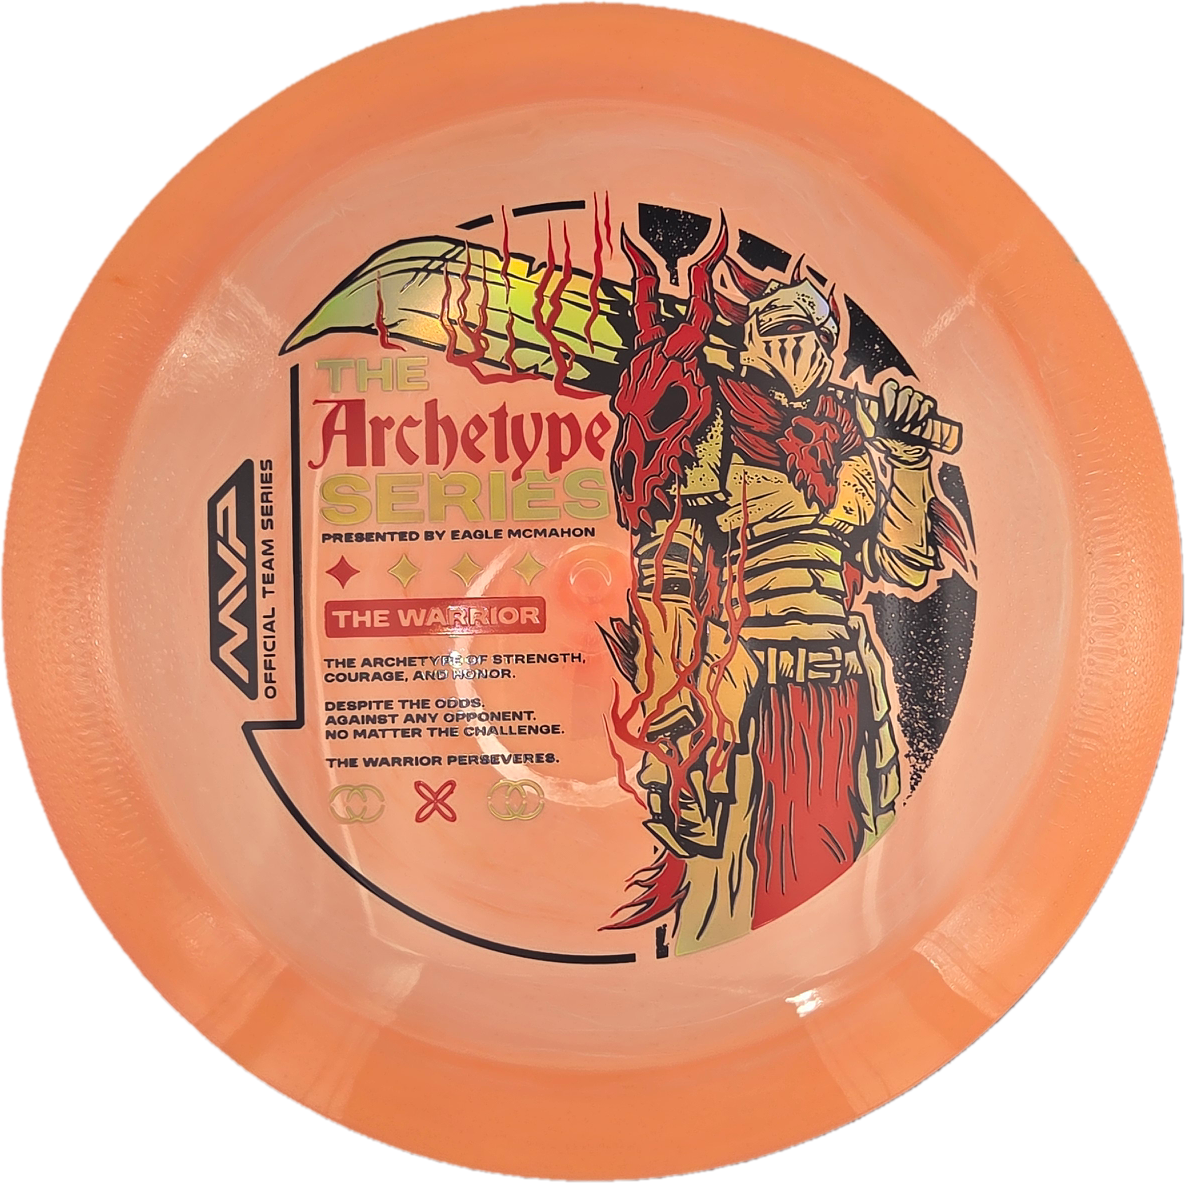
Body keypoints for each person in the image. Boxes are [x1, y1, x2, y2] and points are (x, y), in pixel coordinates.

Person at [601, 224, 968, 954]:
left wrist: (905, 455)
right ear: (751, 343)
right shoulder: (714, 425)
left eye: (818, 334)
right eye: (782, 330)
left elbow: (902, 562)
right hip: (744, 689)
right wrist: (672, 725)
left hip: (844, 687)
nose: (802, 345)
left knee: (843, 906)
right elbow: (668, 564)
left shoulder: (851, 440)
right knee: (731, 896)